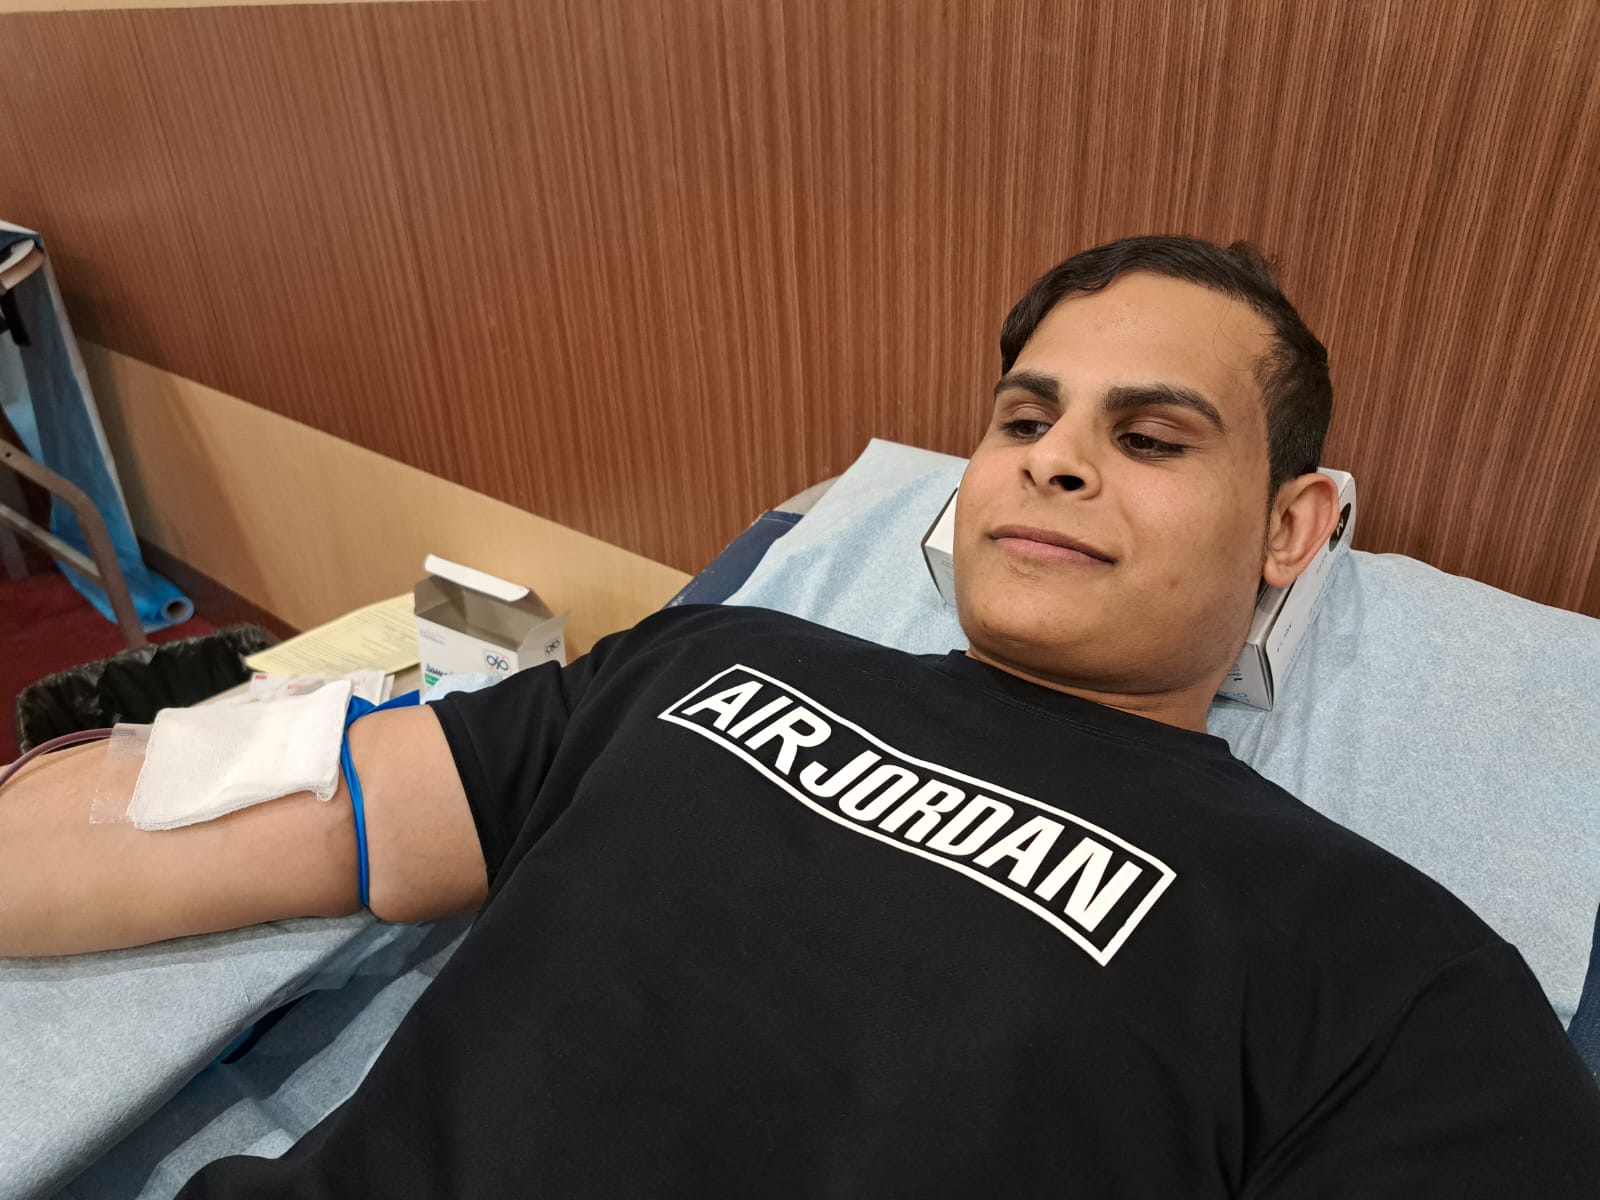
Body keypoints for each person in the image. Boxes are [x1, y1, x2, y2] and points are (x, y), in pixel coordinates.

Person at [3, 236, 1596, 1197]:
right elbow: (222, 816)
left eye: (1153, 438)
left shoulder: (1376, 957)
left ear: (1293, 529)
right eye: (1023, 417)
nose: (1051, 459)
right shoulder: (708, 661)